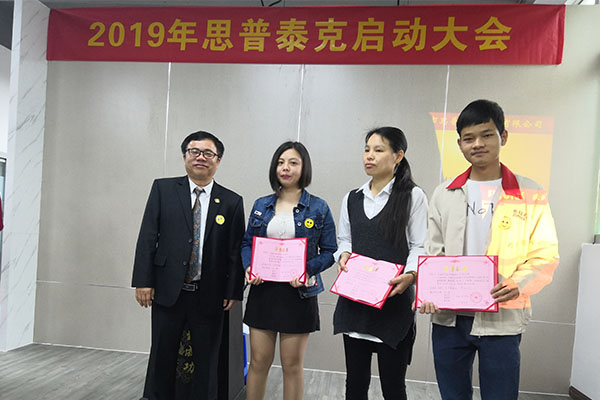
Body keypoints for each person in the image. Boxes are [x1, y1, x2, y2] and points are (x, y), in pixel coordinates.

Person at [421, 99, 560, 400]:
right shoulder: (444, 192)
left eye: (486, 135)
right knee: (452, 395)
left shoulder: (529, 192)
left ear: (503, 137)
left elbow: (545, 253)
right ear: (459, 144)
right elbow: (433, 251)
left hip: (502, 318)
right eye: (469, 138)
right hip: (449, 319)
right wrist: (430, 291)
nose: (478, 144)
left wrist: (518, 283)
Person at [132, 131, 245, 400]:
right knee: (162, 356)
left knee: (206, 360)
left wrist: (233, 291)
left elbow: (235, 251)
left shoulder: (231, 201)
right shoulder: (163, 189)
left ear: (218, 161)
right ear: (185, 156)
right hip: (167, 290)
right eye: (194, 151)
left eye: (208, 153)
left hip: (209, 294)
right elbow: (148, 236)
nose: (200, 157)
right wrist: (143, 281)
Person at [332, 127, 428, 400]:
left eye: (378, 150)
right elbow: (345, 239)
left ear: (398, 156)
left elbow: (420, 245)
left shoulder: (413, 196)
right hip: (354, 304)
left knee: (393, 387)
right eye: (366, 150)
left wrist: (411, 275)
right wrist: (343, 254)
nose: (369, 156)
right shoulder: (352, 198)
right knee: (355, 384)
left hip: (393, 305)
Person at [241, 141, 337, 400]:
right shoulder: (261, 204)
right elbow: (247, 243)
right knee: (258, 362)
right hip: (263, 291)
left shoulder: (319, 207)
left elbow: (330, 251)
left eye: (293, 163)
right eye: (281, 162)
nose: (286, 168)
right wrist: (249, 266)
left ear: (304, 168)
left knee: (292, 366)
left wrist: (306, 269)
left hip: (299, 294)